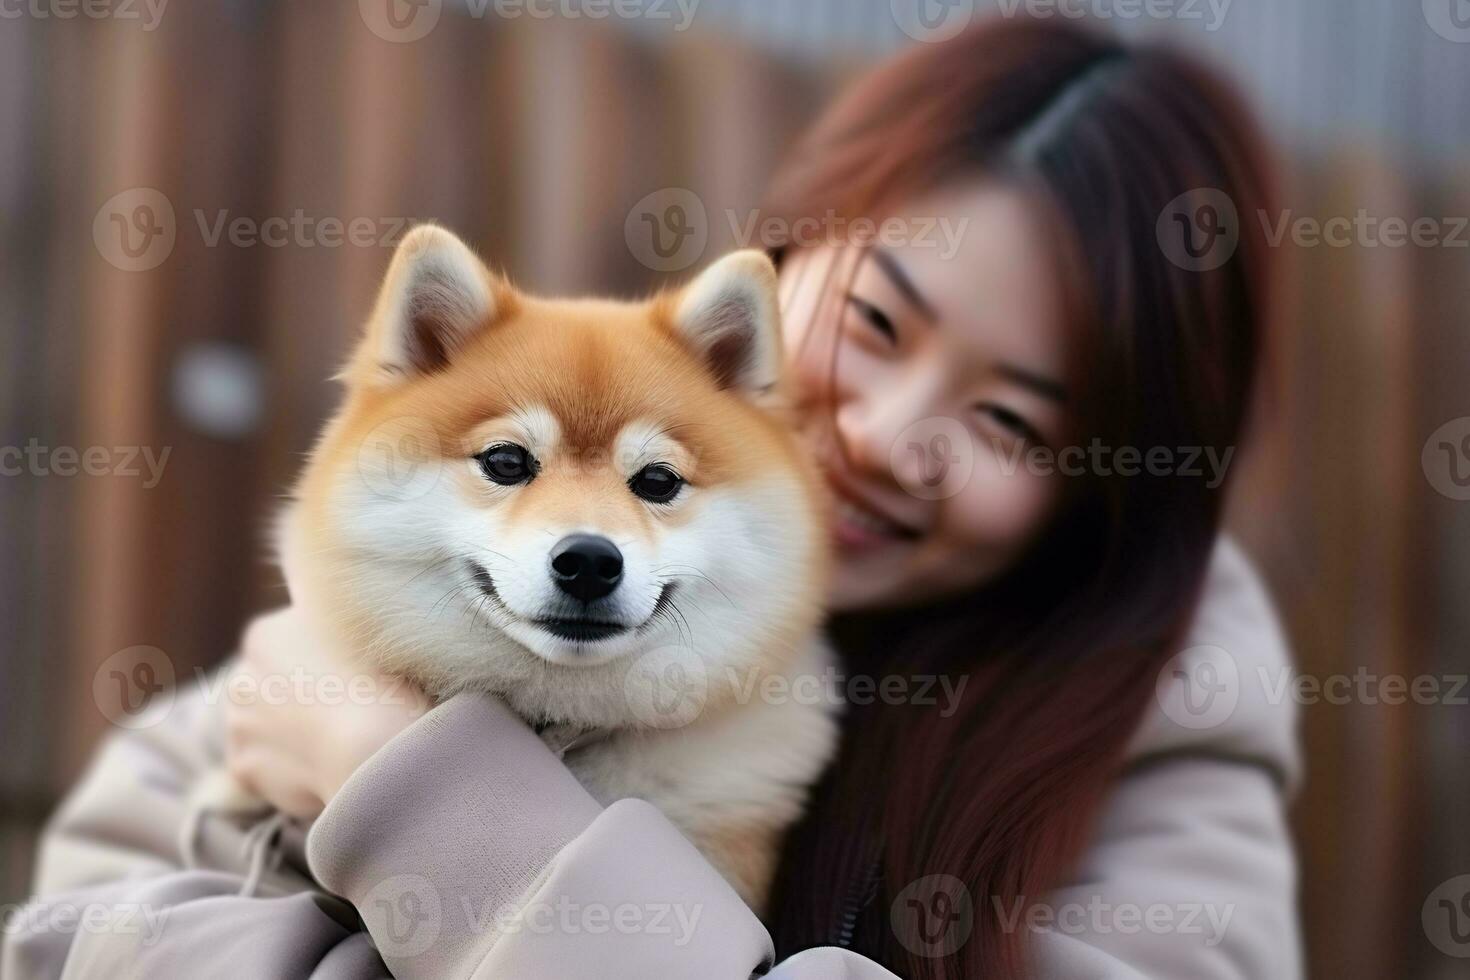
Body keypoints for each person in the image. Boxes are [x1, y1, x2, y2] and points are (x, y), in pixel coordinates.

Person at [4, 17, 1300, 979]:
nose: (884, 438)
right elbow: (71, 939)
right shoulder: (361, 630)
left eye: (1009, 420)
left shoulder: (1169, 733)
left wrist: (406, 791)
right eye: (878, 324)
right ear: (776, 273)